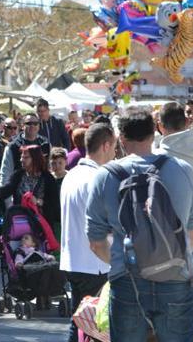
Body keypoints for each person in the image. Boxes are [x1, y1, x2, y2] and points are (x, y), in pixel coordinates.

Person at [87, 106, 193, 342]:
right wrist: (163, 258)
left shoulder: (105, 177)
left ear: (121, 138)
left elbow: (96, 243)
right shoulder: (182, 170)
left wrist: (124, 260)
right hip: (175, 278)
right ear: (154, 135)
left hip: (127, 280)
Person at [155, 103, 193, 341]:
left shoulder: (161, 157)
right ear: (187, 122)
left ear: (161, 126)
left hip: (173, 243)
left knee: (175, 311)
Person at [60, 122, 115, 342]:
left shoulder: (71, 175)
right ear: (105, 145)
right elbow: (108, 225)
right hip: (94, 263)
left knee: (80, 321)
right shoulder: (97, 178)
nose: (115, 152)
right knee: (95, 325)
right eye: (113, 147)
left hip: (75, 260)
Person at [0, 145, 60, 227]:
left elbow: (54, 204)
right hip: (21, 223)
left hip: (41, 226)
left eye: (26, 157)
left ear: (35, 159)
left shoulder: (48, 179)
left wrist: (38, 201)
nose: (21, 160)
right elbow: (6, 190)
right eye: (21, 157)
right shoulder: (18, 175)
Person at [0, 113, 50, 187]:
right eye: (29, 123)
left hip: (41, 191)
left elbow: (50, 169)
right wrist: (6, 196)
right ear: (22, 126)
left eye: (35, 123)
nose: (32, 126)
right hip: (20, 191)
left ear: (39, 126)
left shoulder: (46, 144)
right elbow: (5, 174)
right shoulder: (13, 146)